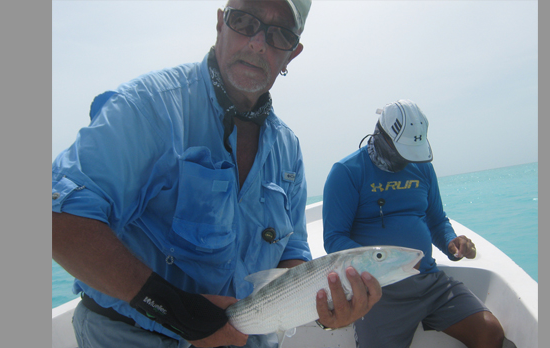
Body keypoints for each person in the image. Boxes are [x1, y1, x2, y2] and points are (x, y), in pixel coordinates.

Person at [51, 1, 382, 348]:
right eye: (244, 21)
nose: (257, 43)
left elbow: (291, 251)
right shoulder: (149, 107)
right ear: (220, 23)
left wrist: (323, 307)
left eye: (279, 34)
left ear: (292, 54)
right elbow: (58, 216)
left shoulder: (288, 150)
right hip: (134, 336)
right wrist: (174, 310)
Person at [322, 99, 516, 348]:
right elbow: (335, 238)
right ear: (381, 137)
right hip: (378, 293)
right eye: (400, 153)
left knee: (489, 332)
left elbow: (437, 220)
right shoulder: (346, 171)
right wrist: (383, 265)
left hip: (429, 281)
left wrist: (451, 242)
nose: (406, 161)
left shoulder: (422, 169)